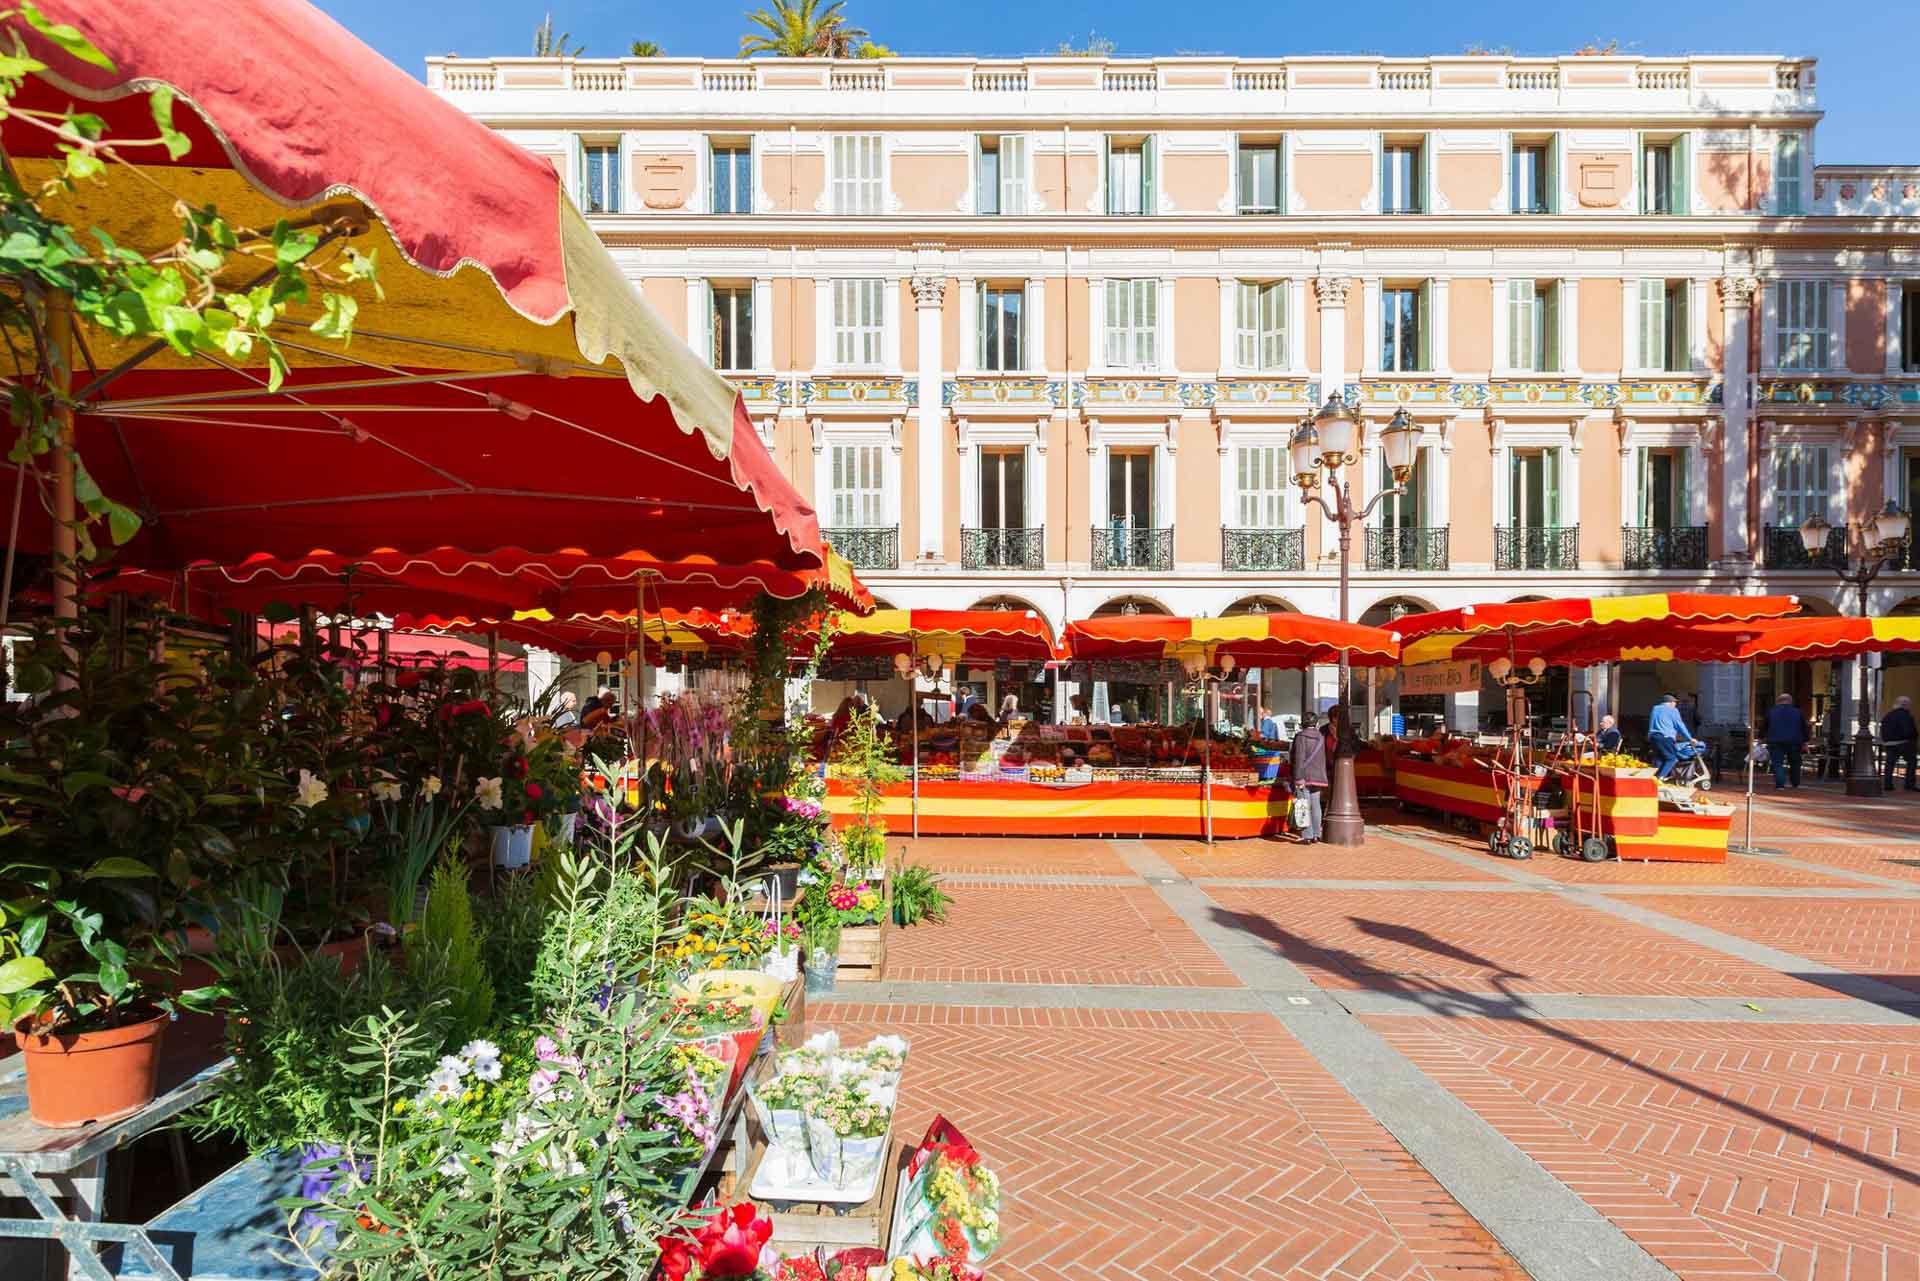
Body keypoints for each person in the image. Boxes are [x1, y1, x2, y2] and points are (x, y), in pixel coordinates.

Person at [1289, 716, 1329, 843]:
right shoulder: (1321, 737)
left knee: (1304, 805)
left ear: (1303, 724)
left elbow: (1298, 758)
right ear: (1316, 723)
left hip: (1304, 776)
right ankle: (1317, 834)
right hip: (1318, 776)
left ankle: (1307, 836)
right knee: (1316, 804)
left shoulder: (1301, 737)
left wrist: (1298, 777)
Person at [1646, 692, 1702, 781]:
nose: (1676, 704)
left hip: (1654, 737)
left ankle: (1653, 781)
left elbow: (1651, 722)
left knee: (1659, 759)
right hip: (1666, 737)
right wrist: (1690, 738)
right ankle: (1658, 779)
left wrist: (1649, 735)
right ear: (1671, 702)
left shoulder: (1655, 708)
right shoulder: (1673, 710)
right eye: (1675, 702)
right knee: (1672, 759)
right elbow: (1679, 726)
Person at [1762, 692, 1809, 790]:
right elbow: (1804, 728)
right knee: (1795, 763)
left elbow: (1764, 726)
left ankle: (1780, 784)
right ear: (1790, 701)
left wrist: (1761, 737)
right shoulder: (1798, 712)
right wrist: (1805, 741)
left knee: (1777, 763)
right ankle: (1795, 783)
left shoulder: (1771, 712)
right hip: (1794, 741)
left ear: (1778, 702)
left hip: (1775, 741)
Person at [1881, 695, 1918, 792]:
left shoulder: (1888, 715)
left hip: (1889, 743)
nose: (1910, 707)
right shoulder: (1906, 715)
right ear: (1904, 704)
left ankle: (1887, 784)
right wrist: (1914, 737)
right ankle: (1909, 784)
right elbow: (1909, 731)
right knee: (1912, 761)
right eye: (1909, 705)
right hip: (1903, 743)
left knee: (1890, 763)